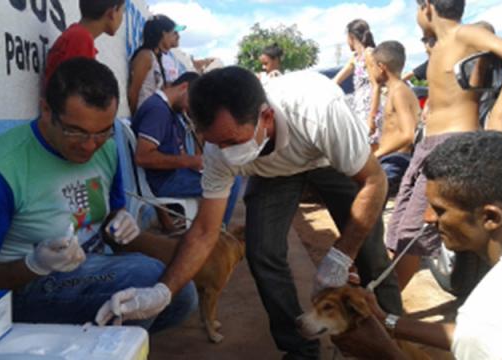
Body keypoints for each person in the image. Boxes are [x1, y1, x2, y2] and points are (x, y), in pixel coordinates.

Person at [96, 66, 403, 359]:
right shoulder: (220, 152)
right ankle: (299, 350)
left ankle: (397, 345)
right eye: (216, 143)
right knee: (262, 252)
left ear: (265, 116)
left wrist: (340, 254)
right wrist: (164, 291)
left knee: (369, 251)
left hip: (326, 158)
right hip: (272, 174)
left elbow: (374, 181)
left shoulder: (318, 110)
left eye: (232, 141)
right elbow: (204, 231)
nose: (225, 152)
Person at [0, 58, 197, 332]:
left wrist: (120, 221)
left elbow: (109, 217)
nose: (90, 146)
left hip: (94, 265)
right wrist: (34, 265)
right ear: (46, 110)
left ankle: (107, 344)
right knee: (146, 278)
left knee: (179, 290)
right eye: (76, 132)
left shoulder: (107, 150)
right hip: (26, 288)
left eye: (103, 131)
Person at [337, 131, 502, 359]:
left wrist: (386, 353)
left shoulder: (486, 312)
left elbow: (483, 334)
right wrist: (387, 321)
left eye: (440, 209)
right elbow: (485, 337)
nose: (428, 217)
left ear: (491, 217)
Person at [386, 0, 502, 290]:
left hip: (451, 142)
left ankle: (386, 310)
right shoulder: (440, 46)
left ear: (427, 6)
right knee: (400, 222)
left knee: (413, 232)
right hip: (429, 144)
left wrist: (498, 114)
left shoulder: (465, 35)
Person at [130, 72, 241, 225]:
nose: (191, 108)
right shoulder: (158, 110)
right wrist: (189, 161)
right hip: (165, 182)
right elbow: (142, 157)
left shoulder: (170, 111)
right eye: (194, 102)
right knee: (231, 181)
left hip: (172, 176)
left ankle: (214, 230)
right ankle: (218, 234)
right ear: (184, 87)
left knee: (224, 172)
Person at [369, 41, 420, 198]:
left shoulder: (399, 91)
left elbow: (408, 134)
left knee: (368, 198)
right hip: (390, 159)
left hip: (396, 161)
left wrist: (376, 155)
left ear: (381, 67)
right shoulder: (395, 90)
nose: (369, 71)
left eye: (371, 67)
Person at [44, 0, 125, 84]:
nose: (122, 18)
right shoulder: (81, 39)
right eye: (123, 11)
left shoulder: (77, 35)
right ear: (112, 13)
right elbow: (75, 90)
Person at [333, 19, 383, 146]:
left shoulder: (369, 53)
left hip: (370, 109)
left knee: (373, 152)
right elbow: (335, 81)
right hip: (360, 109)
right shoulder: (355, 58)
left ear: (351, 37)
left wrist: (371, 118)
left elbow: (376, 86)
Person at [127, 14, 183, 114]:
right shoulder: (145, 56)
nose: (178, 36)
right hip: (143, 118)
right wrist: (136, 119)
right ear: (164, 34)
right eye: (174, 33)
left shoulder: (157, 58)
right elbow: (133, 92)